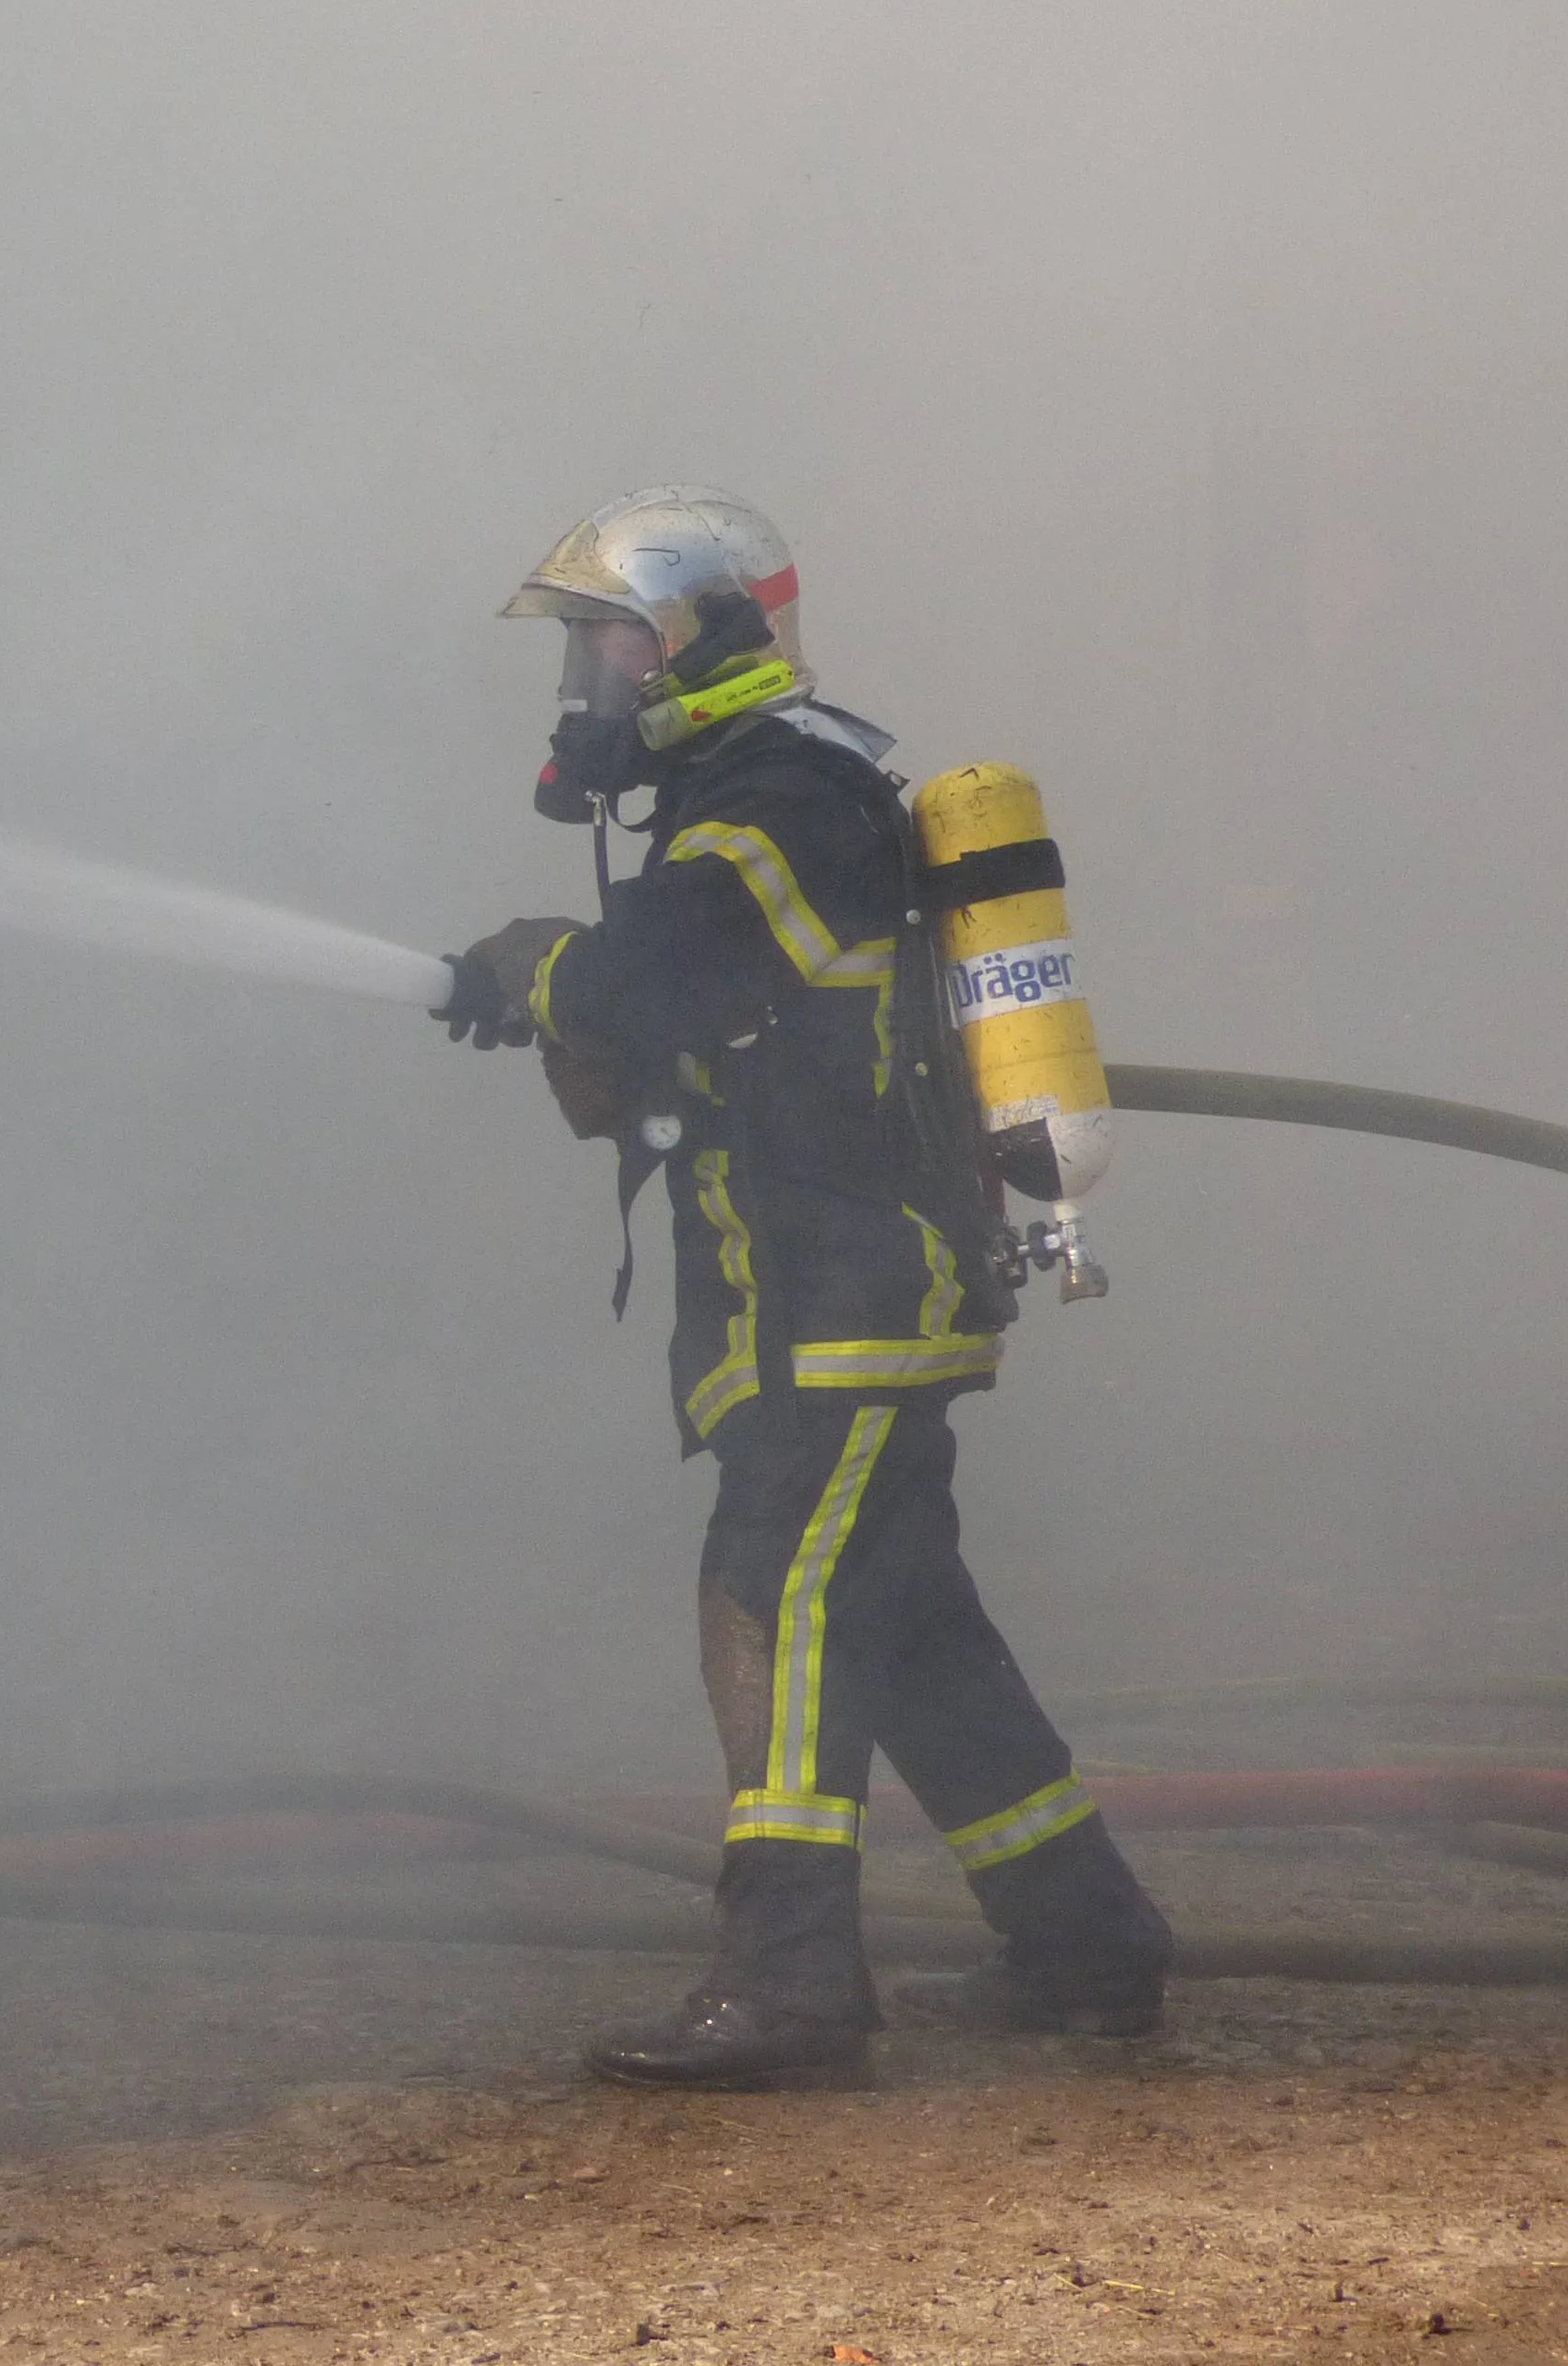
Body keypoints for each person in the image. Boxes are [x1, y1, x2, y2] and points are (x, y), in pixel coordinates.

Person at [439, 487, 1173, 2092]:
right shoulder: (756, 792)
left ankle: (789, 1986)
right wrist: (552, 999)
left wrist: (534, 967)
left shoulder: (783, 796)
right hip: (829, 1302)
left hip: (841, 1307)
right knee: (916, 1641)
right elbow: (701, 1022)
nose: (588, 684)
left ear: (704, 637)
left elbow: (657, 974)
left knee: (772, 1604)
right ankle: (1089, 1947)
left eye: (613, 643)